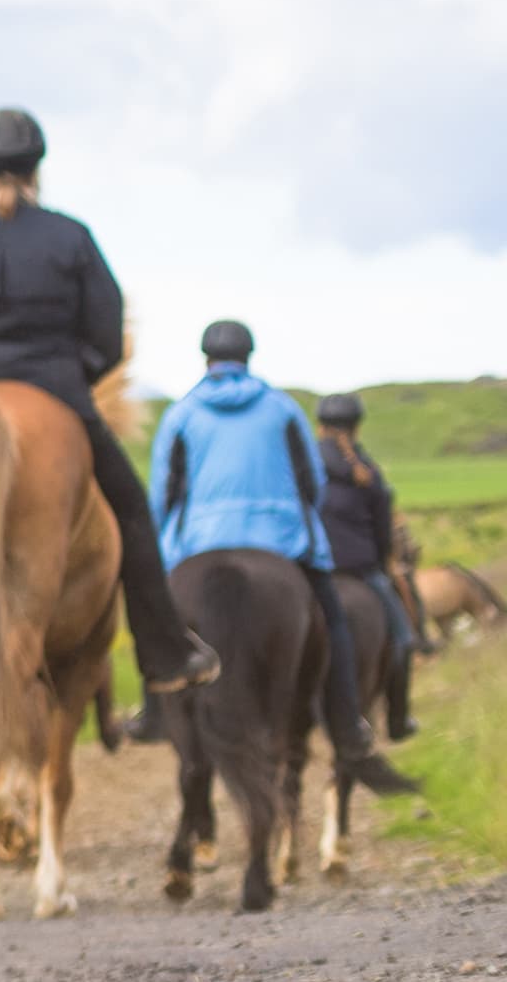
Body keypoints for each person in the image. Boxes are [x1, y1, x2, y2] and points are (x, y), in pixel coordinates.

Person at [0, 108, 218, 700]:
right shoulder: (70, 236)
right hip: (56, 388)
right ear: (38, 169)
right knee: (131, 509)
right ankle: (165, 652)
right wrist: (67, 377)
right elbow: (107, 336)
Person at [155, 323, 408, 790]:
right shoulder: (281, 409)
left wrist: (164, 545)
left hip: (198, 540)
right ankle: (349, 723)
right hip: (278, 539)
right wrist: (301, 529)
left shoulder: (181, 413)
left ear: (205, 356)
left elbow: (163, 491)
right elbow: (309, 482)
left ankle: (152, 712)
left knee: (156, 619)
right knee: (333, 620)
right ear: (249, 355)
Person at [314, 388, 425, 740]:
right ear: (357, 426)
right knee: (403, 639)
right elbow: (382, 530)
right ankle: (398, 720)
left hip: (314, 569)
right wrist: (380, 564)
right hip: (360, 571)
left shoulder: (305, 466)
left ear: (319, 427)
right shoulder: (367, 471)